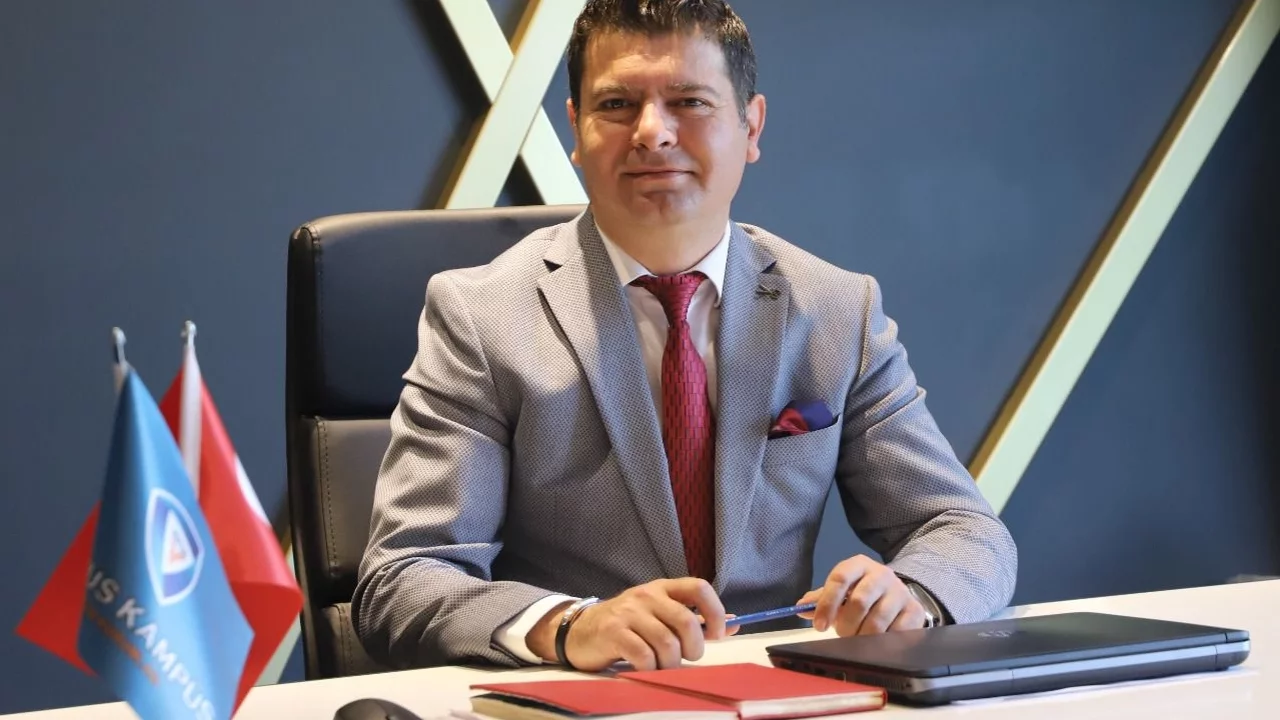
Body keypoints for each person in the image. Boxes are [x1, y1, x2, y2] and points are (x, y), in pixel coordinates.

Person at [353, 0, 1016, 674]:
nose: (652, 132)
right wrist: (568, 625)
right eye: (617, 104)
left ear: (751, 125)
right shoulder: (482, 315)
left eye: (689, 102)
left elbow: (963, 532)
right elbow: (404, 579)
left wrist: (912, 595)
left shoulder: (838, 310)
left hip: (777, 693)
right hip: (583, 697)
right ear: (576, 129)